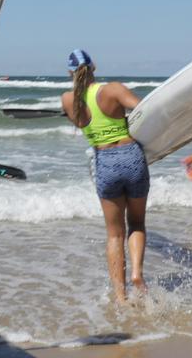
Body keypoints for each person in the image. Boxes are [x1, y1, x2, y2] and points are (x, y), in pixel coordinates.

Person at [59, 49, 147, 302]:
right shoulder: (113, 90)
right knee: (137, 223)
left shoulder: (66, 100)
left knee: (114, 234)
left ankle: (120, 297)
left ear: (70, 73)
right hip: (130, 156)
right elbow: (145, 110)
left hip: (104, 163)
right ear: (94, 67)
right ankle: (137, 275)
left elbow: (80, 123)